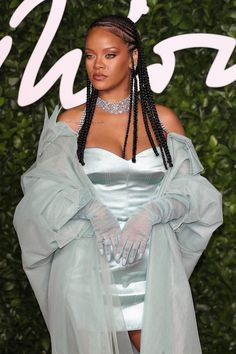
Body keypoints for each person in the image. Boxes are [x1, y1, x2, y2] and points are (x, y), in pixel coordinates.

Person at [13, 15, 223, 354]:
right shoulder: (70, 122)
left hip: (153, 268)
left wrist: (154, 211)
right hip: (85, 269)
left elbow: (195, 195)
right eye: (89, 55)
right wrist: (92, 209)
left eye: (109, 55)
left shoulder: (163, 120)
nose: (97, 65)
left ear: (133, 57)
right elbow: (42, 193)